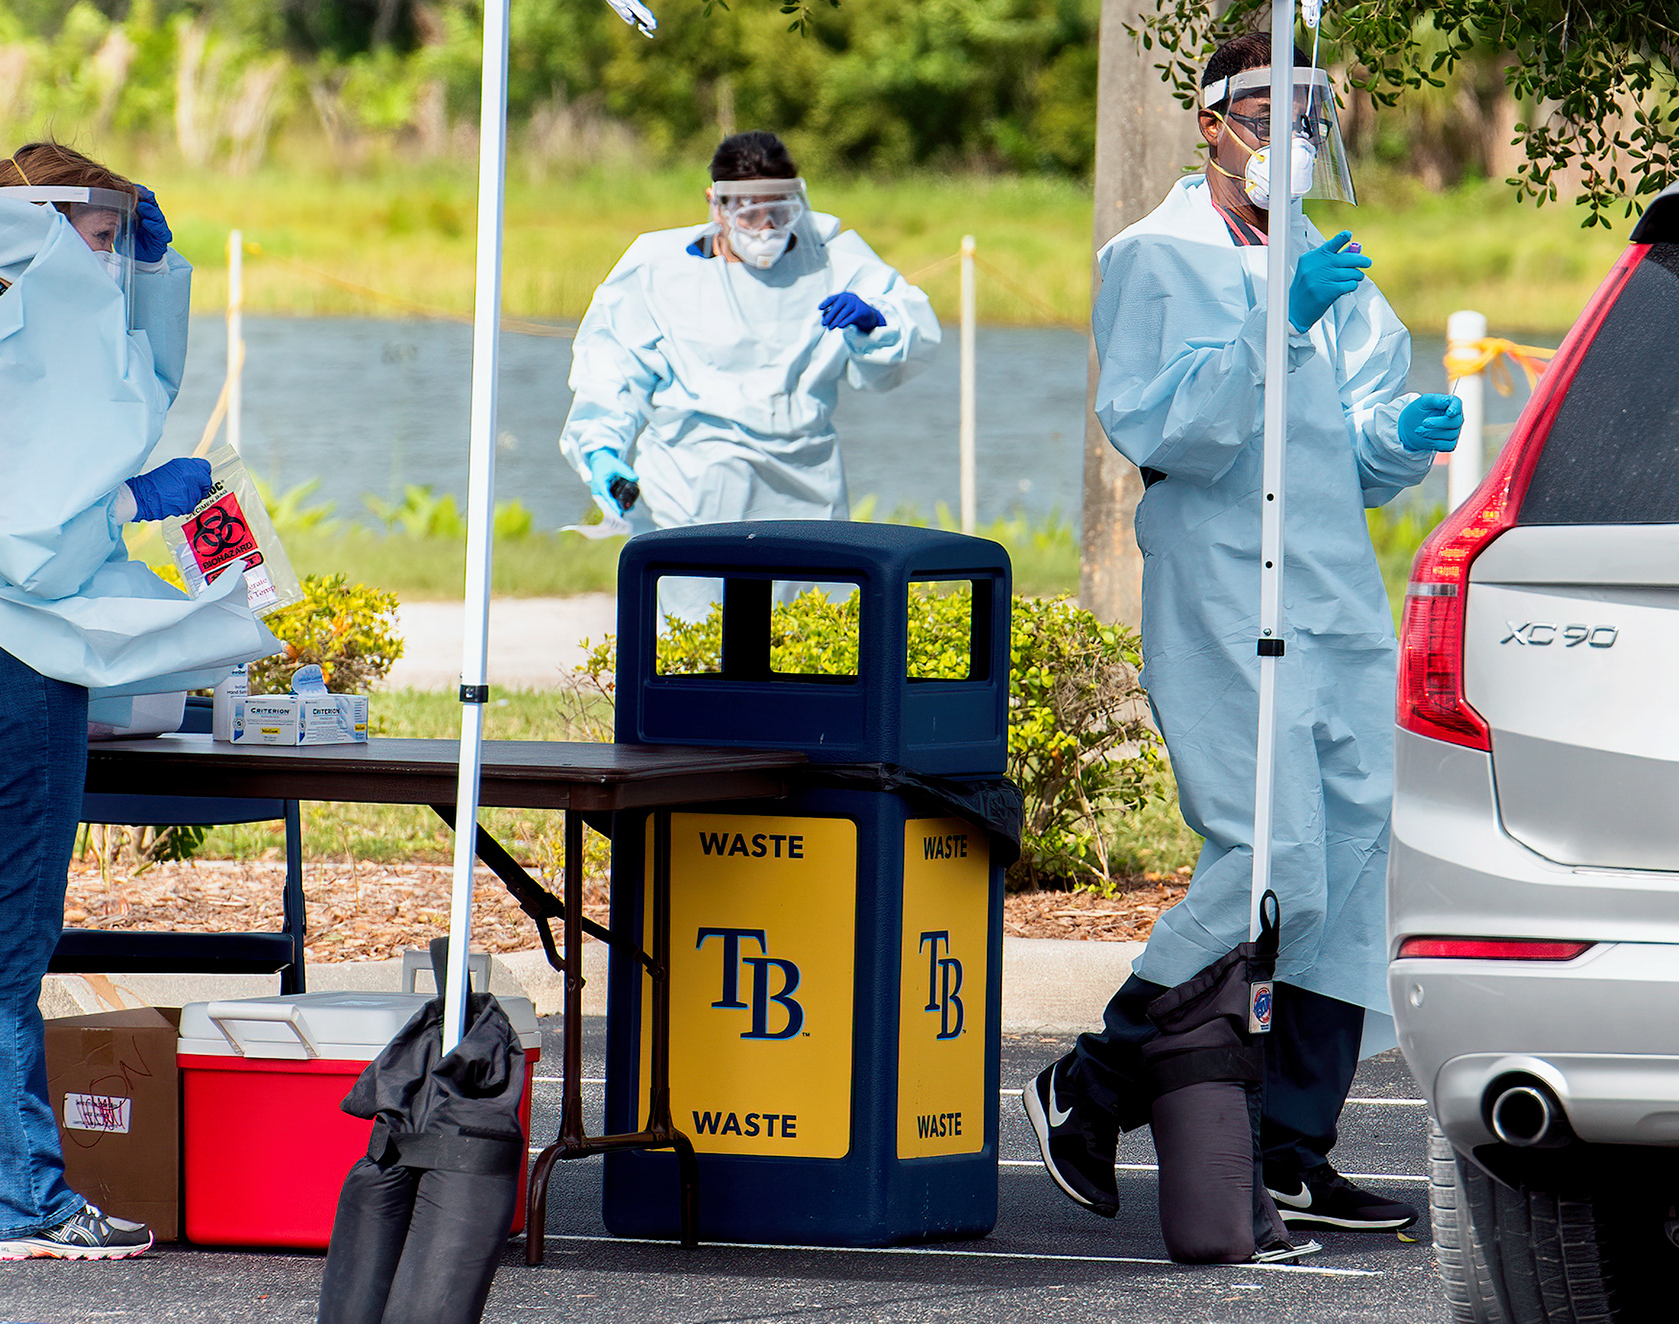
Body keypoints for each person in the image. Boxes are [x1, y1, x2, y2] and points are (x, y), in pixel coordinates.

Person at [1021, 35, 1462, 1237]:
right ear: (1210, 123)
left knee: (1358, 861)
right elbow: (1165, 428)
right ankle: (1094, 1078)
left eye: (1310, 112)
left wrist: (1408, 440)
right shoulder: (1154, 258)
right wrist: (1275, 319)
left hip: (1334, 594)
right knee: (1267, 858)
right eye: (1265, 111)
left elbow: (1350, 456)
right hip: (1223, 586)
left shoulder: (1331, 265)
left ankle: (1290, 1144)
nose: (1290, 135)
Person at [0, 142, 280, 1261]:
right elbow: (19, 521)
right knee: (10, 933)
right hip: (5, 647)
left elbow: (94, 407)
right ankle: (17, 1204)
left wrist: (151, 278)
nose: (106, 259)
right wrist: (141, 495)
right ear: (43, 220)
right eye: (99, 237)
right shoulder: (6, 326)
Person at [561, 130, 939, 541]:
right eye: (749, 213)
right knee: (693, 603)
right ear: (716, 204)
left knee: (810, 600)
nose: (766, 228)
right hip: (692, 487)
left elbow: (913, 325)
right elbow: (611, 367)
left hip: (805, 484)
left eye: (780, 210)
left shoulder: (832, 264)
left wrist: (875, 321)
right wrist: (600, 449)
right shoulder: (660, 272)